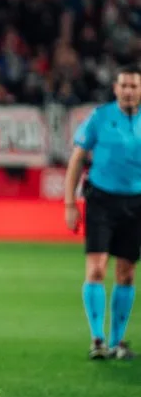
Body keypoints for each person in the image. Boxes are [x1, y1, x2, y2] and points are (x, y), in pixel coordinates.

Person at [65, 65, 141, 360]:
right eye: (124, 85)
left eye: (134, 86)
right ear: (116, 89)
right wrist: (70, 204)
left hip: (136, 204)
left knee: (126, 273)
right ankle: (97, 340)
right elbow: (76, 160)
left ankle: (118, 342)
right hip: (101, 201)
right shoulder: (99, 117)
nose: (129, 91)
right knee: (96, 268)